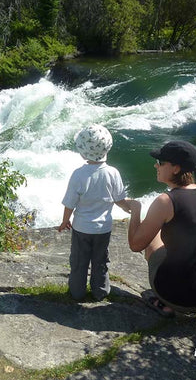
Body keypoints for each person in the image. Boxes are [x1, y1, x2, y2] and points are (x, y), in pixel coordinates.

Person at [126, 140, 196, 323]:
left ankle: (163, 304)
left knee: (152, 239)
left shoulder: (166, 201)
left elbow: (135, 245)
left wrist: (135, 210)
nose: (155, 165)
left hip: (176, 297)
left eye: (161, 162)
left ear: (175, 168)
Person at [58, 124, 131, 301]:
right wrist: (132, 209)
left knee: (79, 261)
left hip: (82, 228)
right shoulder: (113, 173)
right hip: (103, 229)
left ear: (83, 152)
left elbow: (70, 203)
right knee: (100, 261)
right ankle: (100, 292)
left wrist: (64, 221)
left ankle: (77, 292)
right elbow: (120, 200)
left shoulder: (79, 174)